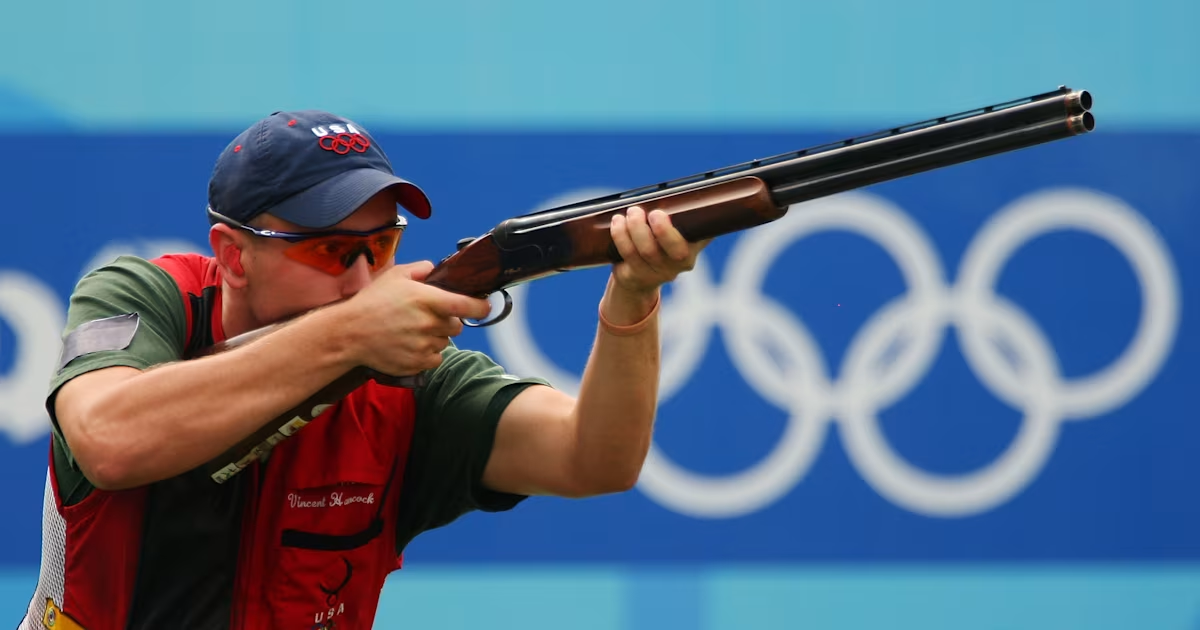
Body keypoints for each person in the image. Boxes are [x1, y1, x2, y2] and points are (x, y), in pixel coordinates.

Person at [19, 110, 707, 630]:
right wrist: (350, 334)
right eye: (328, 251)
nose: (359, 280)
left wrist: (635, 297)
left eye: (379, 248)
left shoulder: (403, 380)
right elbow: (110, 440)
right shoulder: (148, 296)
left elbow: (596, 459)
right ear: (232, 256)